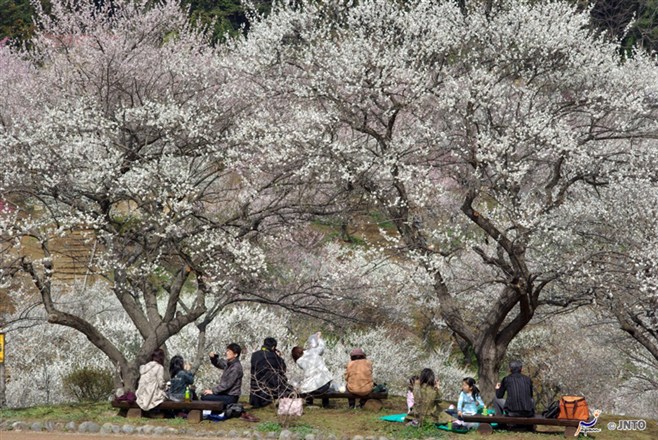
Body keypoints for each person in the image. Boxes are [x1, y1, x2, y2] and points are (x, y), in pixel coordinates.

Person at [291, 332, 333, 408]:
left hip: (312, 389)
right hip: (325, 383)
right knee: (323, 379)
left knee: (306, 385)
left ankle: (309, 404)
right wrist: (318, 338)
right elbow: (322, 347)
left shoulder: (298, 362)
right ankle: (326, 404)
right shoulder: (313, 351)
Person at [249, 337, 292, 408]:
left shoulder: (254, 355)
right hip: (268, 395)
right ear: (273, 347)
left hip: (255, 396)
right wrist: (279, 356)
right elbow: (283, 370)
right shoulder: (275, 358)